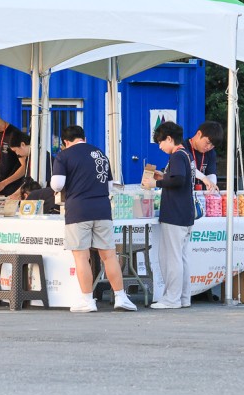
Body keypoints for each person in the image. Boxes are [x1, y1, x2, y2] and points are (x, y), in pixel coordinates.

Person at [51, 125, 136, 313]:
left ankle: (88, 300)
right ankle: (121, 297)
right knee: (109, 255)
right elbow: (109, 187)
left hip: (78, 210)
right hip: (103, 209)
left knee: (82, 256)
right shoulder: (99, 154)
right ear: (84, 137)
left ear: (65, 142)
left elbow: (57, 184)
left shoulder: (64, 156)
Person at [143, 121, 195, 310]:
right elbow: (177, 178)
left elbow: (178, 179)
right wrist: (163, 177)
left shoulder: (176, 157)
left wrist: (155, 184)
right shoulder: (186, 155)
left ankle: (171, 299)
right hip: (185, 213)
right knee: (181, 258)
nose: (160, 146)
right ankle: (183, 297)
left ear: (169, 139)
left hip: (175, 213)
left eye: (160, 142)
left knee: (171, 258)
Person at [6, 129, 53, 200]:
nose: (17, 154)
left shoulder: (42, 157)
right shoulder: (29, 159)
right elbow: (27, 181)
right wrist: (14, 195)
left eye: (15, 150)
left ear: (22, 144)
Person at [188, 121, 223, 192]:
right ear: (199, 134)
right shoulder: (183, 147)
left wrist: (212, 185)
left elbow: (211, 172)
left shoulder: (211, 152)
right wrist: (204, 178)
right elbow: (186, 167)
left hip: (201, 194)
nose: (208, 147)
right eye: (207, 143)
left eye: (212, 145)